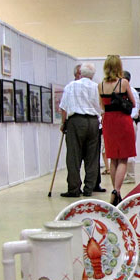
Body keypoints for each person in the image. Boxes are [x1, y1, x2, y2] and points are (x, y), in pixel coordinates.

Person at [59, 63, 101, 198]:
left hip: (76, 121)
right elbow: (101, 107)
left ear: (80, 73)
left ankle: (74, 188)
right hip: (93, 122)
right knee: (92, 157)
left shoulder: (71, 86)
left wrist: (63, 123)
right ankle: (89, 188)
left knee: (73, 156)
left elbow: (64, 107)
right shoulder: (97, 87)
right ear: (92, 75)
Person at [99, 55, 136, 205]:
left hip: (109, 121)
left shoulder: (101, 85)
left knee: (113, 157)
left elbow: (102, 106)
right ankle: (117, 190)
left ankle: (115, 189)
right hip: (122, 120)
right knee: (123, 158)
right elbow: (133, 103)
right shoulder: (123, 83)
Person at [123, 70, 140, 184]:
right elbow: (139, 110)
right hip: (131, 122)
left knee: (128, 150)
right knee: (128, 149)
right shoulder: (134, 91)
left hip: (127, 122)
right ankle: (129, 174)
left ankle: (130, 175)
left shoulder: (128, 91)